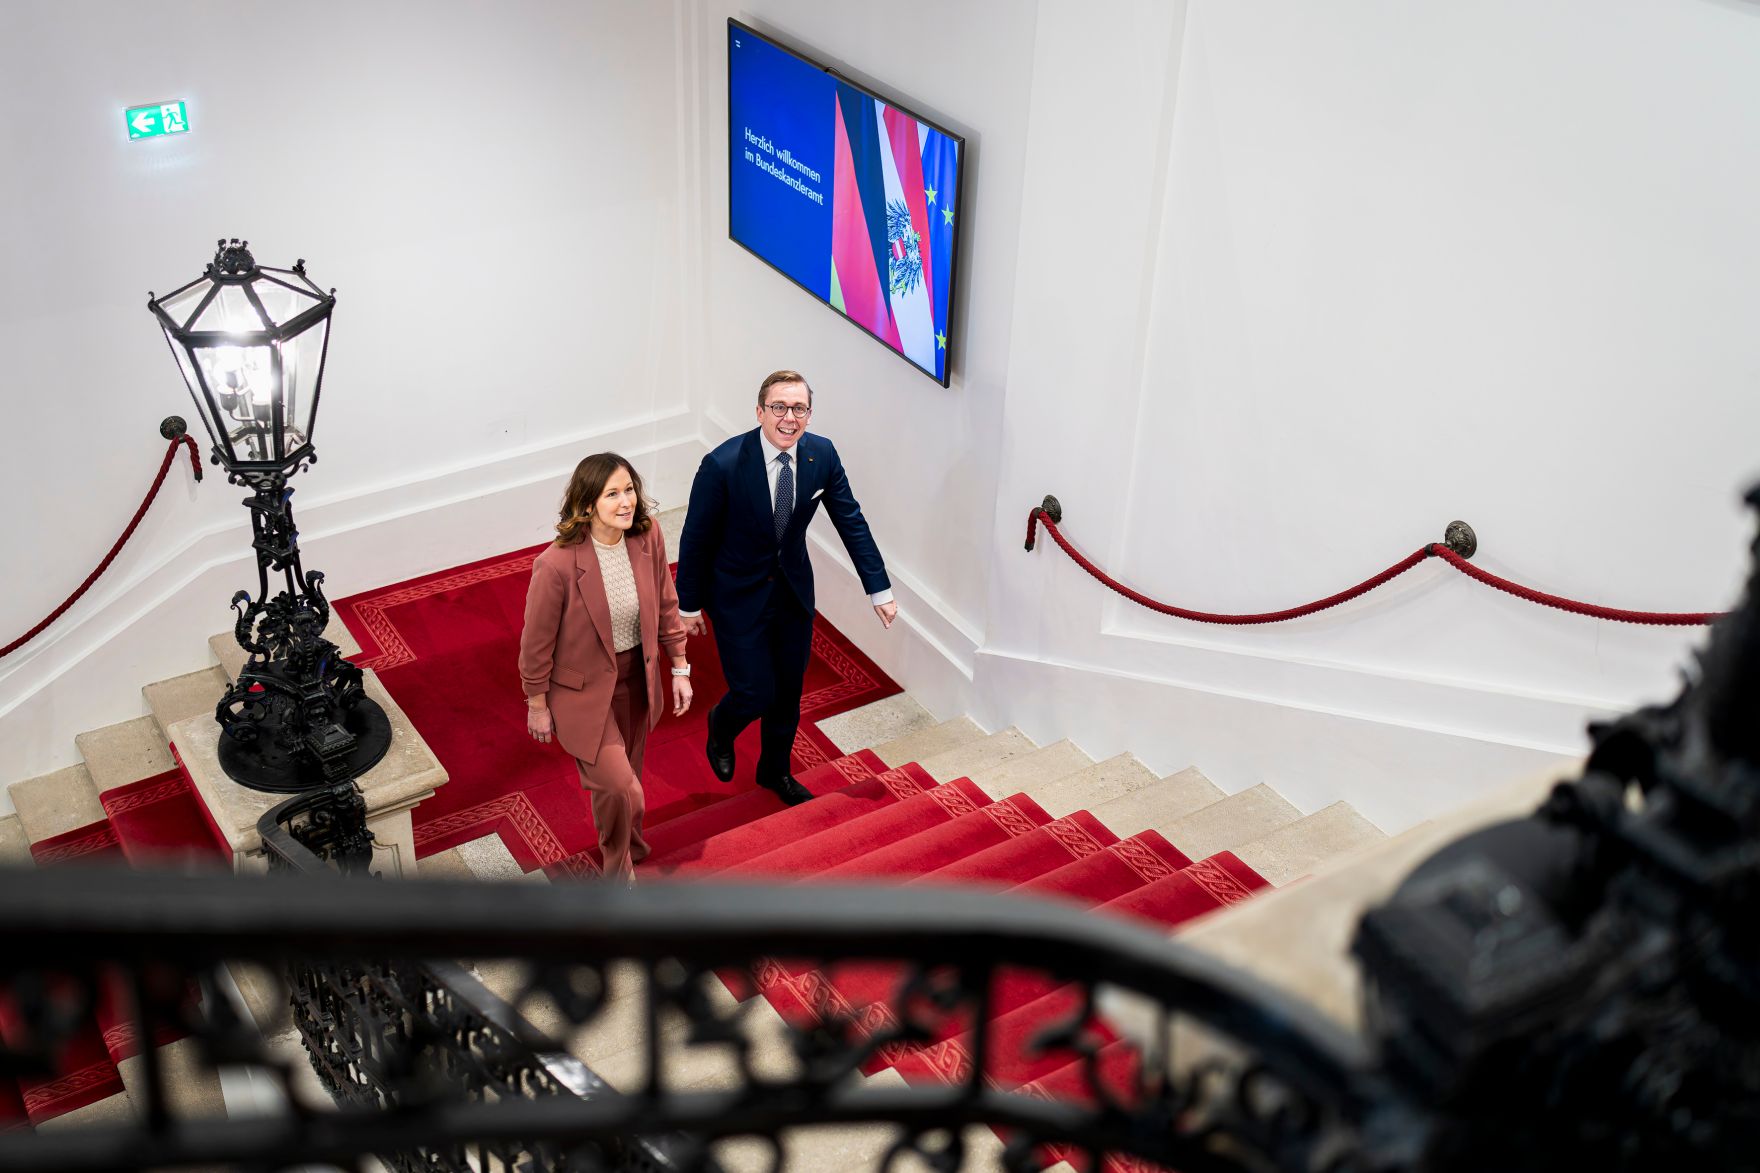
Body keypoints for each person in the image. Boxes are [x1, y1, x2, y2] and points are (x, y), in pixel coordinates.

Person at [676, 370, 896, 806]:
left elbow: (851, 522)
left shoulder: (822, 456)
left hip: (793, 591)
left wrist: (879, 589)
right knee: (755, 690)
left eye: (798, 408)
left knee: (789, 691)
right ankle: (721, 725)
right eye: (779, 407)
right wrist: (688, 604)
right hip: (736, 593)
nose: (788, 417)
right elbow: (695, 537)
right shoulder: (722, 464)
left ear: (809, 415)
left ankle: (774, 771)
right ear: (760, 412)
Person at [519, 453, 692, 881]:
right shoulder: (555, 565)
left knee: (625, 781)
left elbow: (667, 604)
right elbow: (535, 645)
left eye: (629, 489)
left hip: (637, 678)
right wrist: (537, 705)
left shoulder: (647, 536)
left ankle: (628, 843)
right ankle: (620, 874)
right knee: (620, 786)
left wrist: (680, 668)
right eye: (611, 493)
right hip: (581, 693)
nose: (625, 501)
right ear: (587, 502)